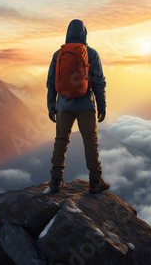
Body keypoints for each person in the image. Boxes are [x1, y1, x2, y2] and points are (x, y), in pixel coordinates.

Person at [46, 19, 110, 194]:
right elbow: (98, 82)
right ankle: (95, 181)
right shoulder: (91, 53)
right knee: (90, 142)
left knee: (61, 141)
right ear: (84, 34)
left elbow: (51, 82)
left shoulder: (58, 54)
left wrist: (51, 106)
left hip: (63, 106)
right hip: (86, 105)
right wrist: (102, 105)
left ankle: (55, 181)